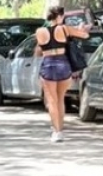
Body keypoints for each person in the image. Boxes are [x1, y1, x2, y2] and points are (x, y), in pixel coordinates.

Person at [34, 6, 91, 142]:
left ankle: (56, 131)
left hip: (48, 64)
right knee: (60, 99)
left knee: (51, 101)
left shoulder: (40, 31)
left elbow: (37, 53)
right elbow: (85, 36)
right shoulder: (64, 28)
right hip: (63, 64)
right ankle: (61, 130)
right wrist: (82, 28)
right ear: (59, 16)